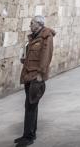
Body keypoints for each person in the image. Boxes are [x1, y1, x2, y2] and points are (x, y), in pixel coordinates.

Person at [15, 14, 55, 146]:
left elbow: (46, 56)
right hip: (28, 74)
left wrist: (40, 74)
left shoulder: (46, 37)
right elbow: (30, 55)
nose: (30, 25)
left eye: (32, 23)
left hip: (36, 76)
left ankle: (28, 137)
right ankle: (29, 134)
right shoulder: (33, 38)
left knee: (31, 105)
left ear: (39, 24)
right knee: (30, 105)